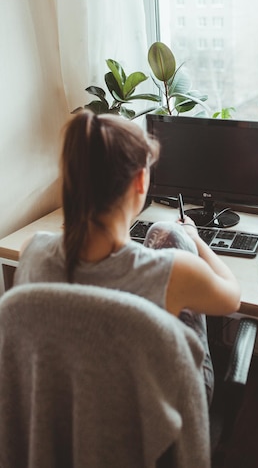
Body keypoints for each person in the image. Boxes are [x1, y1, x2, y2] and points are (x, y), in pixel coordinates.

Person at [14, 110, 241, 403]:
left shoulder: (31, 250)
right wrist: (194, 239)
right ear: (140, 181)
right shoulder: (173, 273)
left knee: (162, 231)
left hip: (65, 401)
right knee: (167, 233)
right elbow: (232, 298)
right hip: (152, 409)